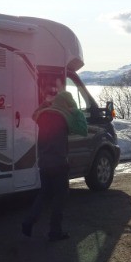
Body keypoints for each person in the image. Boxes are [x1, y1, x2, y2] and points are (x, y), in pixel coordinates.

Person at [22, 89, 78, 241]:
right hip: (59, 163)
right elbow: (78, 123)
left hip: (44, 163)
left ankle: (29, 221)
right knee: (60, 197)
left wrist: (45, 103)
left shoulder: (43, 116)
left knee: (44, 194)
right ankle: (55, 231)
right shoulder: (64, 119)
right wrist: (70, 106)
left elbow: (34, 114)